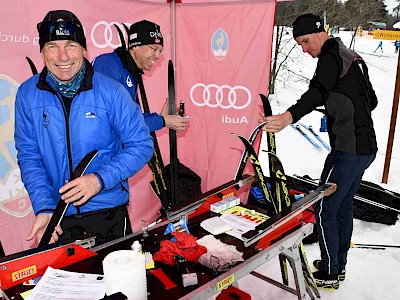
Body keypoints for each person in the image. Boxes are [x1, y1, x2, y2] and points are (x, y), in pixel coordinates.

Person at [14, 10, 154, 247]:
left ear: (83, 49)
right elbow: (29, 156)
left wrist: (99, 180)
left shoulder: (111, 91)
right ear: (41, 51)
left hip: (108, 211)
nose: (63, 56)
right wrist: (45, 206)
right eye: (52, 46)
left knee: (118, 283)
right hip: (57, 216)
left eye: (70, 45)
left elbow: (141, 145)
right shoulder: (27, 94)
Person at [259, 13, 377, 290]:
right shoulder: (352, 56)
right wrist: (343, 108)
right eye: (299, 43)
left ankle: (329, 271)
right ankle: (339, 266)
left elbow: (317, 91)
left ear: (320, 32)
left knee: (325, 206)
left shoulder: (330, 57)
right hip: (365, 148)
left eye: (305, 41)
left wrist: (289, 117)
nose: (304, 48)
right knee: (343, 205)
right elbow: (370, 100)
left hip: (348, 150)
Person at [92, 20, 189, 132]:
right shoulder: (108, 65)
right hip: (100, 147)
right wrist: (162, 121)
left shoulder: (131, 71)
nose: (157, 56)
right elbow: (117, 121)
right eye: (153, 48)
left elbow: (129, 117)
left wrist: (159, 117)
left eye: (160, 51)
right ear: (135, 46)